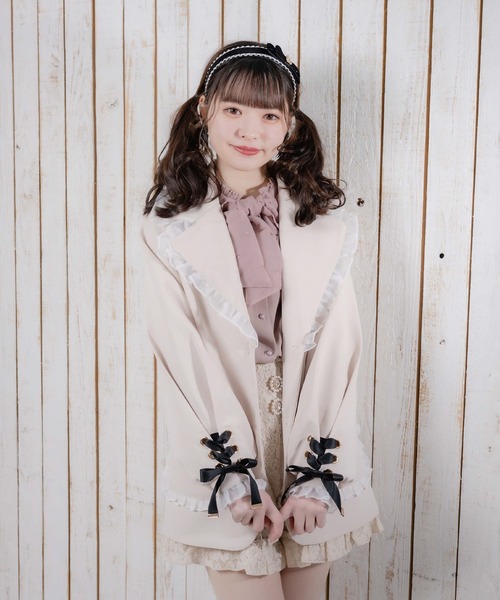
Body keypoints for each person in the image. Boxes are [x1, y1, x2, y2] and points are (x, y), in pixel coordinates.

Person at [142, 41, 382, 600]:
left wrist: (317, 471)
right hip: (222, 425)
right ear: (204, 110)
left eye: (269, 115)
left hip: (307, 421)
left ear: (289, 124)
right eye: (234, 109)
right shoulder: (167, 228)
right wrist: (230, 473)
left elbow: (339, 351)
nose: (250, 130)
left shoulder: (324, 223)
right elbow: (180, 357)